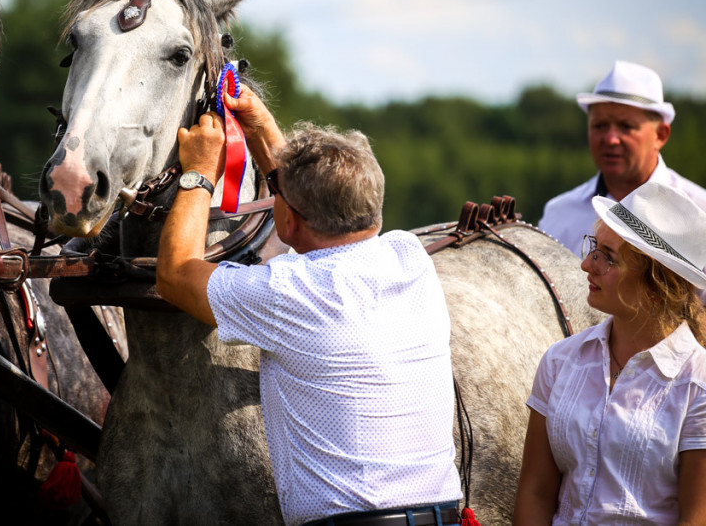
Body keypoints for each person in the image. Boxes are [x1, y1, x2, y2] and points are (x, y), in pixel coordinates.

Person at [156, 87, 463, 526]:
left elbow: (175, 275)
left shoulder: (291, 291)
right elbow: (315, 201)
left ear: (290, 221)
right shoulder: (409, 256)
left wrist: (200, 172)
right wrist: (261, 127)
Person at [514, 181, 706, 526]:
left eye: (608, 258)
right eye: (594, 248)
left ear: (656, 288)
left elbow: (696, 517)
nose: (587, 264)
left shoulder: (698, 383)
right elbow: (535, 492)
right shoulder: (559, 361)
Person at [539, 60, 706, 257]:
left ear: (660, 135)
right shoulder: (558, 214)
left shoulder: (700, 212)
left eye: (626, 126)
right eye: (599, 125)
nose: (610, 139)